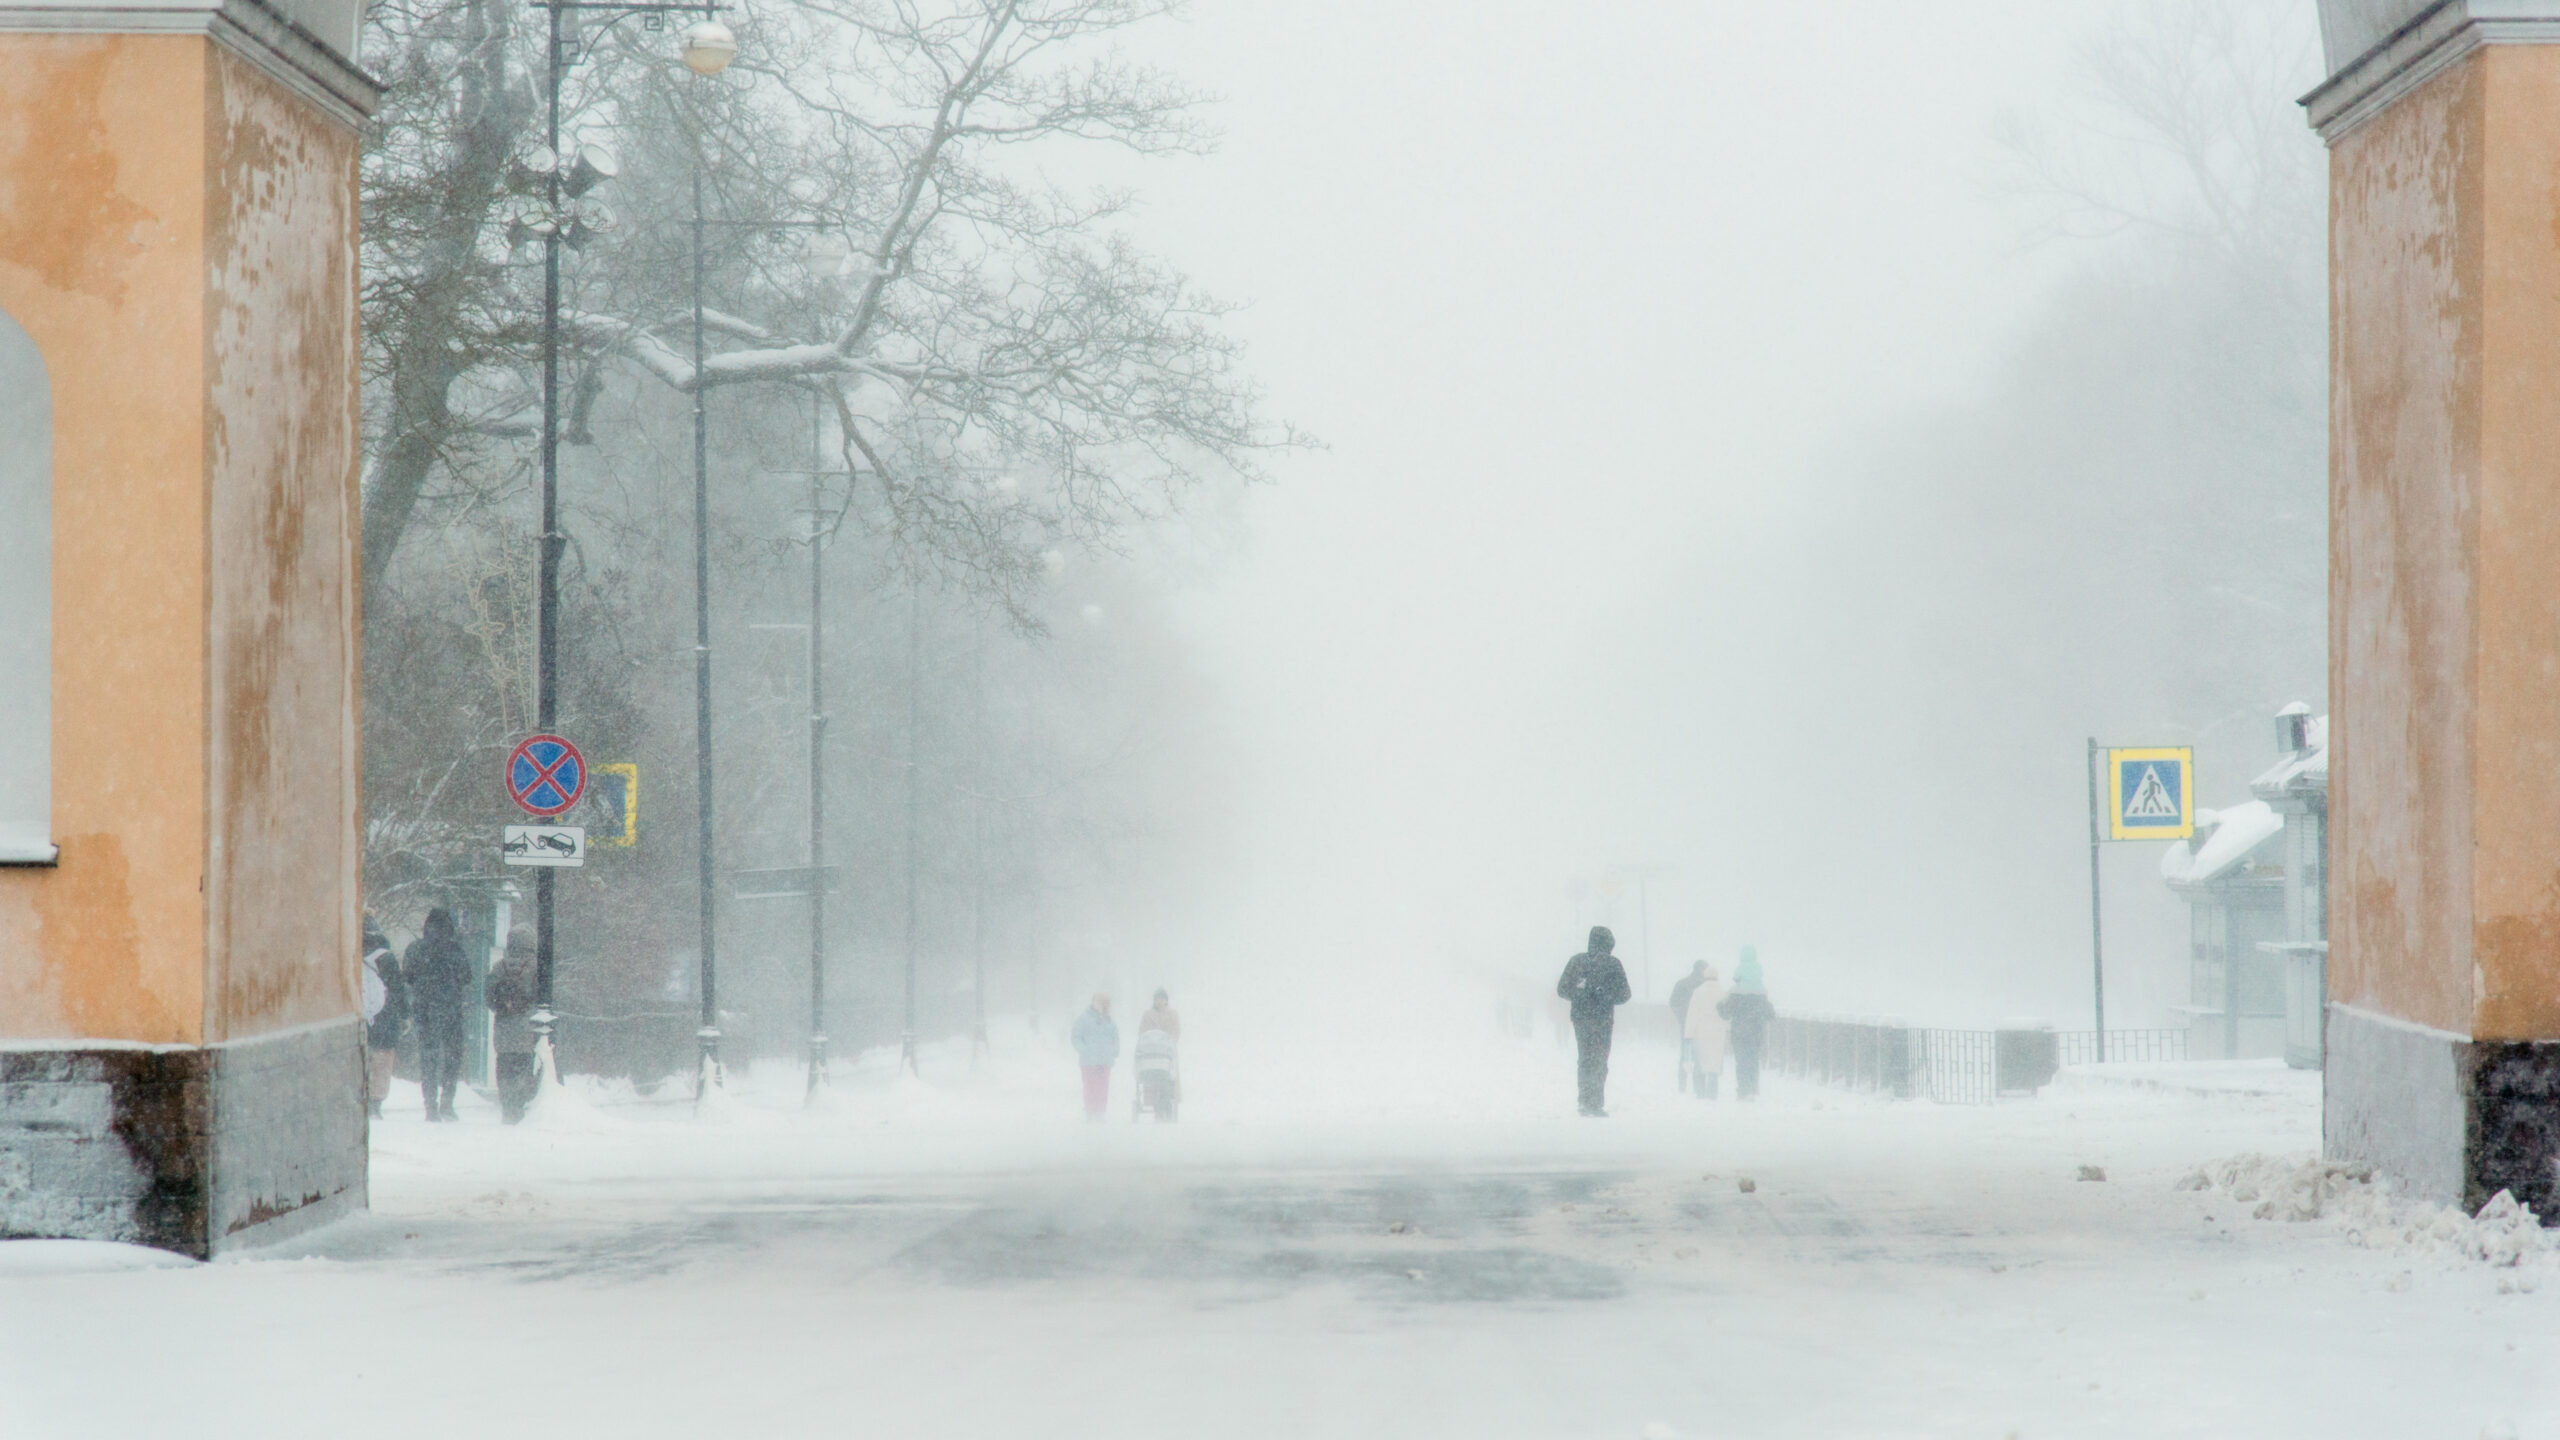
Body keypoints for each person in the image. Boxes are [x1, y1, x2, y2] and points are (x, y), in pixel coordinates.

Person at [1555, 925, 1632, 1116]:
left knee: (1585, 1058)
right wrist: (1605, 995)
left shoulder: (1577, 961)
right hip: (1603, 1018)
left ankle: (1584, 1100)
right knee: (1599, 1059)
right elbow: (1625, 994)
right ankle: (1595, 1103)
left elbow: (1562, 989)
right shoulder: (1613, 964)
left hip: (1581, 1018)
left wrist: (1580, 994)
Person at [405, 908, 473, 1122]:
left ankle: (430, 1105)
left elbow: (407, 976)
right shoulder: (455, 949)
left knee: (428, 1058)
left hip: (424, 1010)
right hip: (451, 1010)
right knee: (452, 1057)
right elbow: (467, 976)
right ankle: (447, 1102)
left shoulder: (416, 949)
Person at [486, 925, 540, 1124]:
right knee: (524, 1069)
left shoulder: (499, 968)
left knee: (504, 1069)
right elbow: (540, 997)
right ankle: (519, 1105)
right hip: (526, 1030)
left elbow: (489, 998)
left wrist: (504, 1005)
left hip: (504, 1030)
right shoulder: (536, 968)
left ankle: (508, 1107)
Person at [1717, 946, 1776, 1102]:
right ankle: (1753, 1087)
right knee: (1753, 1059)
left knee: (1741, 1060)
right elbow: (1770, 1014)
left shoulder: (1736, 992)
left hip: (1739, 1031)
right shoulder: (1761, 991)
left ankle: (1743, 1089)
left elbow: (1725, 1013)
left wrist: (1720, 1006)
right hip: (1756, 1032)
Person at [360, 917, 403, 1119]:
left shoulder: (351, 954)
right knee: (382, 1059)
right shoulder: (386, 958)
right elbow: (397, 989)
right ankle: (375, 1101)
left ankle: (361, 1097)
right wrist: (404, 1014)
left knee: (362, 1058)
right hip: (385, 1016)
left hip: (360, 1015)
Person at [1071, 993, 1120, 1121]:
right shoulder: (1083, 1019)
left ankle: (1100, 1112)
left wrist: (1114, 1050)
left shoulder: (1110, 1021)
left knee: (1103, 1087)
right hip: (1088, 1061)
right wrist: (1084, 1050)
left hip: (1105, 1061)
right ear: (1093, 1002)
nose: (1102, 1005)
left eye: (1105, 1003)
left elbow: (1115, 1038)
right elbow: (1076, 1036)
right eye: (1100, 1002)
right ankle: (1090, 1111)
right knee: (1090, 1086)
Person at [1683, 961, 1727, 1100]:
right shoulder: (1723, 992)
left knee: (1700, 1060)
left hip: (1701, 1031)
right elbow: (1726, 1015)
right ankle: (1712, 1092)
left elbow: (1692, 1014)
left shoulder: (1698, 992)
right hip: (1718, 1032)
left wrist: (1688, 1033)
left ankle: (1699, 1091)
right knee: (1714, 1062)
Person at [1668, 959, 1709, 1095]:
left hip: (1686, 1024)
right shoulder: (1705, 986)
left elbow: (1673, 1002)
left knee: (1686, 1054)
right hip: (1702, 1025)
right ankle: (1699, 1085)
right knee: (1701, 1054)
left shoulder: (1682, 983)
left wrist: (1682, 1017)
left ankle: (1682, 1084)